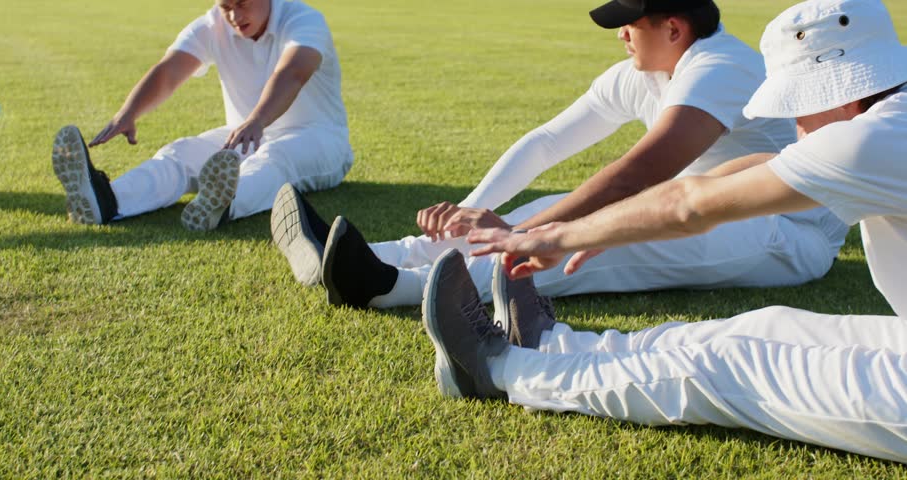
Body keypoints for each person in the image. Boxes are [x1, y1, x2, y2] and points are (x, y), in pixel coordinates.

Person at [422, 0, 907, 463]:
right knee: (764, 328)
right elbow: (747, 171)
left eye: (799, 105)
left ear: (841, 90)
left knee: (727, 366)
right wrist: (599, 229)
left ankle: (497, 369)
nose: (796, 123)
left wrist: (557, 237)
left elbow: (688, 206)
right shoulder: (887, 119)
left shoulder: (869, 141)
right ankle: (550, 343)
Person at [272, 0, 847, 308]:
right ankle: (371, 255)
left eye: (630, 23)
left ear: (673, 27)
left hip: (785, 235)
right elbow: (547, 142)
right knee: (553, 205)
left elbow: (639, 175)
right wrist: (466, 213)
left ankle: (389, 288)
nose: (620, 33)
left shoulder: (720, 68)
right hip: (700, 206)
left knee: (593, 243)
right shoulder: (641, 73)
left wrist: (532, 234)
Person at [51, 0, 352, 231]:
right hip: (244, 132)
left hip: (318, 136)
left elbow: (293, 73)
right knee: (179, 153)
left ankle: (224, 204)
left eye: (241, 3)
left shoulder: (304, 19)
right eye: (225, 6)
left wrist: (257, 120)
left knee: (274, 158)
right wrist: (128, 112)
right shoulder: (212, 25)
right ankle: (108, 201)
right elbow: (169, 71)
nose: (234, 16)